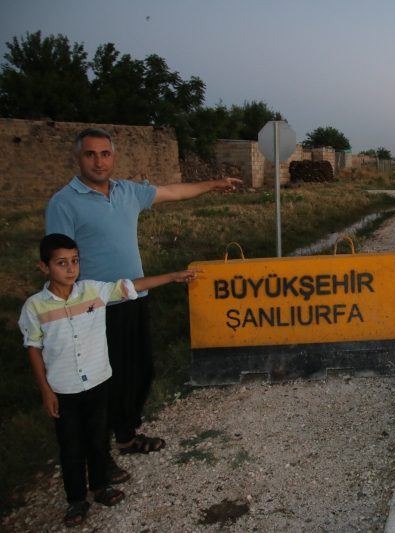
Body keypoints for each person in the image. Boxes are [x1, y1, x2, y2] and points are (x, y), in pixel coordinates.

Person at [45, 128, 241, 480]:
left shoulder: (127, 192)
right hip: (95, 308)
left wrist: (213, 184)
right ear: (78, 158)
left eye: (105, 153)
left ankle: (127, 436)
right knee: (104, 385)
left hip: (134, 297)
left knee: (139, 371)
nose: (99, 161)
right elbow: (57, 257)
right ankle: (100, 458)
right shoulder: (64, 202)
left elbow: (173, 192)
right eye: (90, 154)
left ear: (114, 157)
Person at [18, 233, 201, 527]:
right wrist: (45, 390)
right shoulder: (35, 307)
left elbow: (132, 285)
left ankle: (101, 486)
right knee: (70, 448)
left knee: (98, 438)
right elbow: (34, 349)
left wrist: (173, 276)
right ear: (44, 267)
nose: (70, 269)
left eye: (74, 261)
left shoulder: (93, 291)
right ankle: (76, 499)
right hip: (63, 390)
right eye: (61, 263)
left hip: (99, 383)